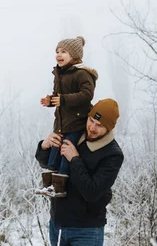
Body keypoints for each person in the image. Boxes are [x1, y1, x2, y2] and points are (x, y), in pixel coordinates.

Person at [35, 98, 124, 246]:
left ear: (109, 128)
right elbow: (48, 164)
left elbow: (92, 192)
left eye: (100, 125)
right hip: (57, 225)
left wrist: (75, 159)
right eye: (91, 121)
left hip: (86, 229)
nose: (92, 128)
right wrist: (45, 146)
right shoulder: (74, 135)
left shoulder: (112, 154)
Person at [38, 35, 98, 197]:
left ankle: (59, 187)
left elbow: (86, 95)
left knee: (66, 148)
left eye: (63, 51)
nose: (59, 54)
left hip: (77, 121)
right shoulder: (59, 73)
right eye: (57, 51)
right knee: (55, 147)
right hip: (61, 122)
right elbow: (59, 96)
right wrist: (50, 101)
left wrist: (63, 99)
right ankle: (48, 184)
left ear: (74, 55)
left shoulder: (82, 74)